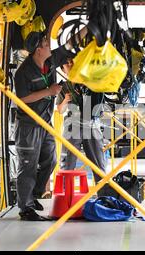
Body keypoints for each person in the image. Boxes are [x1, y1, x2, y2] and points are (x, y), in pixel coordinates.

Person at [14, 29, 87, 221]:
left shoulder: (50, 61)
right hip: (28, 125)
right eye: (46, 44)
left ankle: (34, 194)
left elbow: (70, 44)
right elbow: (22, 99)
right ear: (38, 50)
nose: (49, 46)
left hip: (45, 122)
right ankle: (25, 208)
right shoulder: (23, 73)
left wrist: (90, 25)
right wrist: (49, 91)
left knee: (51, 160)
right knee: (28, 166)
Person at [56, 59, 110, 196]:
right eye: (66, 64)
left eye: (72, 62)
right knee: (67, 162)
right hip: (73, 125)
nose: (70, 65)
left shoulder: (89, 82)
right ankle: (64, 197)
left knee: (98, 162)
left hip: (92, 123)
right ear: (63, 70)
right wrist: (65, 100)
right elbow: (60, 110)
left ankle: (103, 196)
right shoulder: (64, 87)